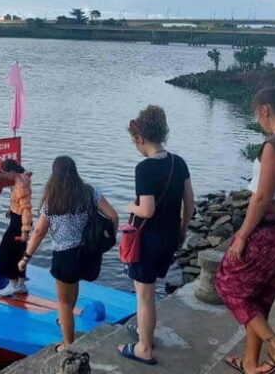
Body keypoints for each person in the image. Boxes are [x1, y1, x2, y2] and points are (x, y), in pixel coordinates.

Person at [215, 86, 275, 374]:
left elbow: (261, 198)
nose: (257, 119)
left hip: (267, 232)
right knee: (260, 300)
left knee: (227, 285)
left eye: (256, 113)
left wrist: (242, 237)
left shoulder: (274, 145)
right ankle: (250, 364)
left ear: (266, 110)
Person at [118, 105, 193, 366]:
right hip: (170, 236)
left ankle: (144, 347)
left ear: (140, 139)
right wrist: (183, 229)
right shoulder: (178, 162)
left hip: (148, 240)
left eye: (134, 141)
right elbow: (189, 202)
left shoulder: (145, 169)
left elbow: (146, 210)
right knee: (150, 290)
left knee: (144, 295)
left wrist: (130, 206)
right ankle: (143, 330)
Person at [18, 156, 119, 352]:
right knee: (73, 288)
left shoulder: (52, 200)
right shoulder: (90, 192)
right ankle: (65, 321)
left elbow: (39, 232)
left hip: (65, 256)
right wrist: (108, 241)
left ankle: (67, 345)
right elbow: (113, 216)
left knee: (63, 303)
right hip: (86, 254)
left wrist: (25, 258)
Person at [0, 158, 33, 296]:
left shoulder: (21, 185)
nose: (5, 176)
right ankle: (20, 283)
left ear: (12, 171)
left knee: (7, 252)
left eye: (6, 173)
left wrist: (25, 230)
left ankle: (13, 282)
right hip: (16, 216)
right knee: (19, 251)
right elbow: (18, 202)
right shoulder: (22, 179)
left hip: (19, 222)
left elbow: (26, 208)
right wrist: (11, 209)